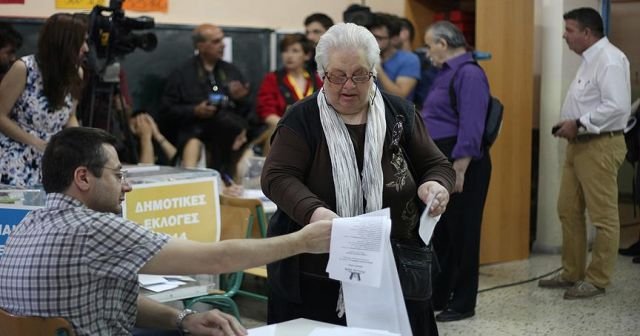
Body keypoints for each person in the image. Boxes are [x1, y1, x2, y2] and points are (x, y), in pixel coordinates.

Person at [0, 126, 332, 336]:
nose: (127, 186)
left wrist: (183, 319)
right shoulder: (93, 229)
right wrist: (303, 240)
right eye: (118, 175)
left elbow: (115, 301)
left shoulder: (29, 223)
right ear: (83, 178)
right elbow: (215, 260)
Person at [261, 23, 455, 336]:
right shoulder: (303, 117)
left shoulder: (399, 113)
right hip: (316, 269)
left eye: (360, 74)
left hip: (395, 265)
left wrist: (436, 184)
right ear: (322, 73)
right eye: (337, 75)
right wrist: (316, 212)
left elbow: (436, 164)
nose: (348, 85)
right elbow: (277, 176)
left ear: (373, 73)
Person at [538, 7, 629, 299]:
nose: (565, 36)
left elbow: (617, 107)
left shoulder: (610, 59)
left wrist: (578, 123)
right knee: (568, 209)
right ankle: (571, 272)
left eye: (569, 30)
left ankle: (598, 279)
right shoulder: (590, 59)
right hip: (579, 146)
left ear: (587, 33)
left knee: (603, 217)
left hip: (600, 144)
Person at [421, 21, 492, 322]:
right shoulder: (446, 73)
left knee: (464, 234)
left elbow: (472, 125)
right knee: (443, 234)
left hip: (462, 163)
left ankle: (463, 302)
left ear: (443, 43)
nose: (427, 53)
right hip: (443, 160)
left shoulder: (470, 73)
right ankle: (440, 294)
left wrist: (459, 170)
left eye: (429, 45)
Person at [0, 13, 86, 187]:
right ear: (65, 43)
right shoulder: (23, 68)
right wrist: (35, 142)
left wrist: (82, 142)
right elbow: (0, 115)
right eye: (81, 42)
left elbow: (70, 116)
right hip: (15, 158)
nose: (86, 48)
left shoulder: (76, 73)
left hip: (52, 158)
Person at [160, 23, 251, 149]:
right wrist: (194, 111)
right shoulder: (182, 73)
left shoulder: (231, 71)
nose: (223, 45)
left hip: (229, 133)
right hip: (195, 132)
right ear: (200, 46)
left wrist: (241, 99)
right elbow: (167, 110)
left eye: (222, 40)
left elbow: (247, 110)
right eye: (216, 41)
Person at [256, 33, 322, 130]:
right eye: (285, 51)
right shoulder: (273, 79)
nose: (289, 56)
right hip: (282, 131)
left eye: (295, 51)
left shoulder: (317, 80)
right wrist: (289, 127)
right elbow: (266, 112)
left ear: (307, 55)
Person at [180, 113, 249, 197]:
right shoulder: (194, 145)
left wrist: (232, 189)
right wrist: (221, 190)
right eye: (239, 138)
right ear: (225, 137)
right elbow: (188, 181)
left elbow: (230, 181)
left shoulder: (225, 153)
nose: (244, 140)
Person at [367, 13, 420, 101]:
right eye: (371, 36)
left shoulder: (409, 60)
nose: (373, 41)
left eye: (379, 38)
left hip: (395, 112)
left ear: (394, 39)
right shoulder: (366, 55)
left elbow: (400, 96)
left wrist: (378, 69)